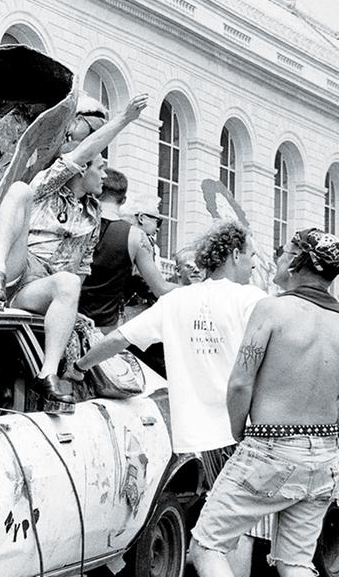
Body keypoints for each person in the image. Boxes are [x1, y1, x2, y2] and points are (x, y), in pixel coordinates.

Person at [74, 220, 266, 572]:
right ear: (235, 253)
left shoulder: (177, 300)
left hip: (200, 437)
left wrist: (80, 365)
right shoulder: (251, 299)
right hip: (244, 428)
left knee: (221, 523)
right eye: (252, 254)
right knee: (238, 529)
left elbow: (119, 339)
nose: (254, 263)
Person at [190, 228, 339, 577]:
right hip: (324, 457)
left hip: (271, 448)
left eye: (286, 251)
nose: (278, 256)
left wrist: (239, 429)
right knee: (295, 562)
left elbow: (241, 382)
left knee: (206, 546)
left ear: (299, 263)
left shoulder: (271, 309)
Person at [0, 94, 146, 407]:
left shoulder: (94, 214)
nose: (106, 174)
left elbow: (81, 269)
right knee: (19, 190)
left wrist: (69, 305)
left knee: (69, 281)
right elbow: (83, 151)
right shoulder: (48, 184)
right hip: (19, 266)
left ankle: (47, 374)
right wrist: (123, 120)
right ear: (82, 169)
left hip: (44, 286)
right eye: (100, 166)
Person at [78, 168, 175, 329]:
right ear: (124, 200)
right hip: (105, 330)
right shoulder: (136, 237)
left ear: (95, 192)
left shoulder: (76, 223)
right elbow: (161, 289)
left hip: (65, 322)